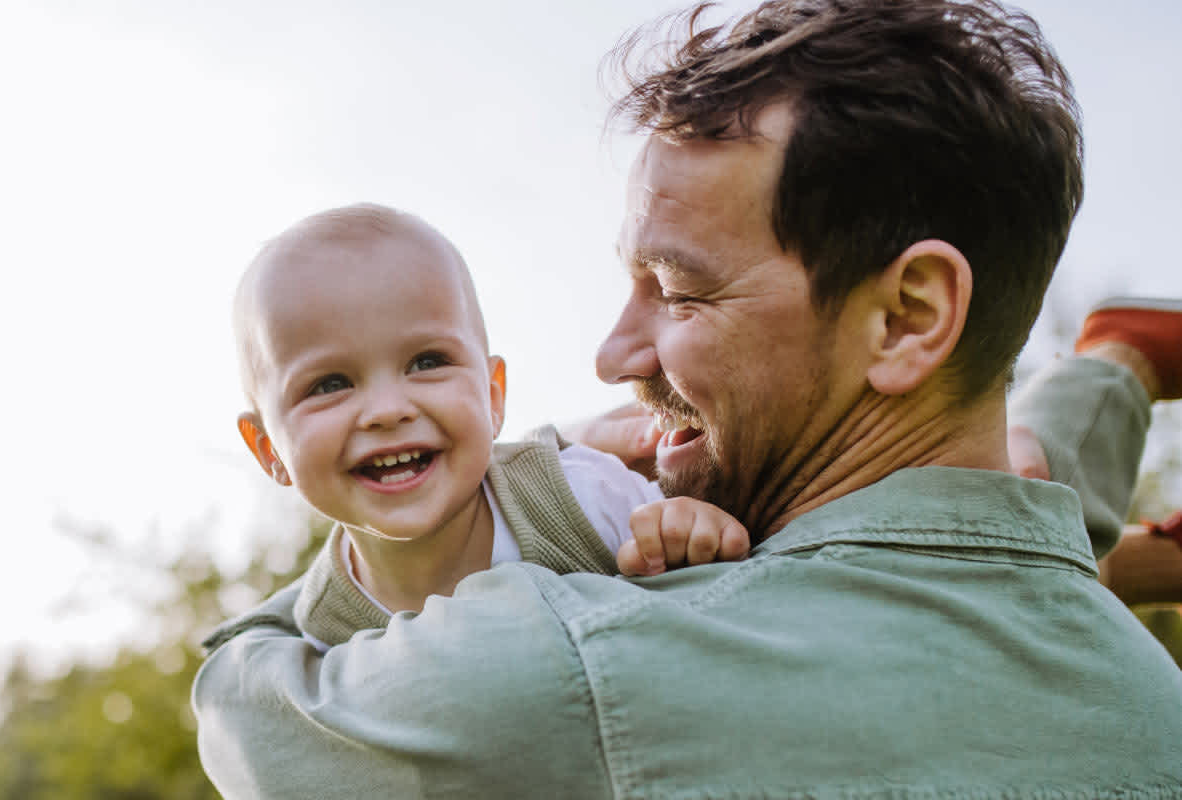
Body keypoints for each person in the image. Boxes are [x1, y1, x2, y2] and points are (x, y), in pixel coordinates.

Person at [194, 1, 1182, 796]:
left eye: (674, 290)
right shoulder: (1153, 706)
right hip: (1015, 549)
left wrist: (514, 476)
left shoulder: (566, 662)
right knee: (1029, 483)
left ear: (905, 316)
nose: (612, 353)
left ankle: (1114, 369)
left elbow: (249, 707)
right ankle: (1115, 370)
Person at [231, 203, 749, 647]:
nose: (387, 410)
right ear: (268, 449)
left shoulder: (576, 495)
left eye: (427, 362)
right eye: (328, 385)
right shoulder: (325, 627)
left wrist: (689, 534)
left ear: (493, 395)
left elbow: (715, 593)